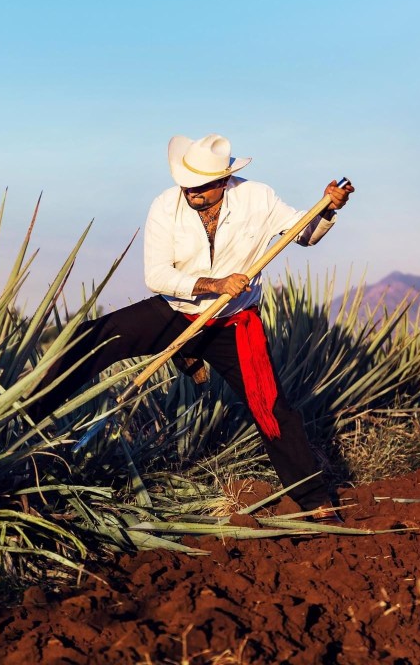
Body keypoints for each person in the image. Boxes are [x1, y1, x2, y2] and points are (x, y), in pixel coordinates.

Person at [30, 134, 354, 514]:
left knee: (271, 406)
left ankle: (313, 501)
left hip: (231, 324)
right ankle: (26, 419)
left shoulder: (258, 198)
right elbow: (157, 275)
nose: (191, 193)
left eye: (200, 187)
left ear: (223, 181)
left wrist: (328, 209)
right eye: (186, 185)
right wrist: (214, 284)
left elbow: (305, 235)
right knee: (96, 338)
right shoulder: (165, 206)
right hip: (176, 311)